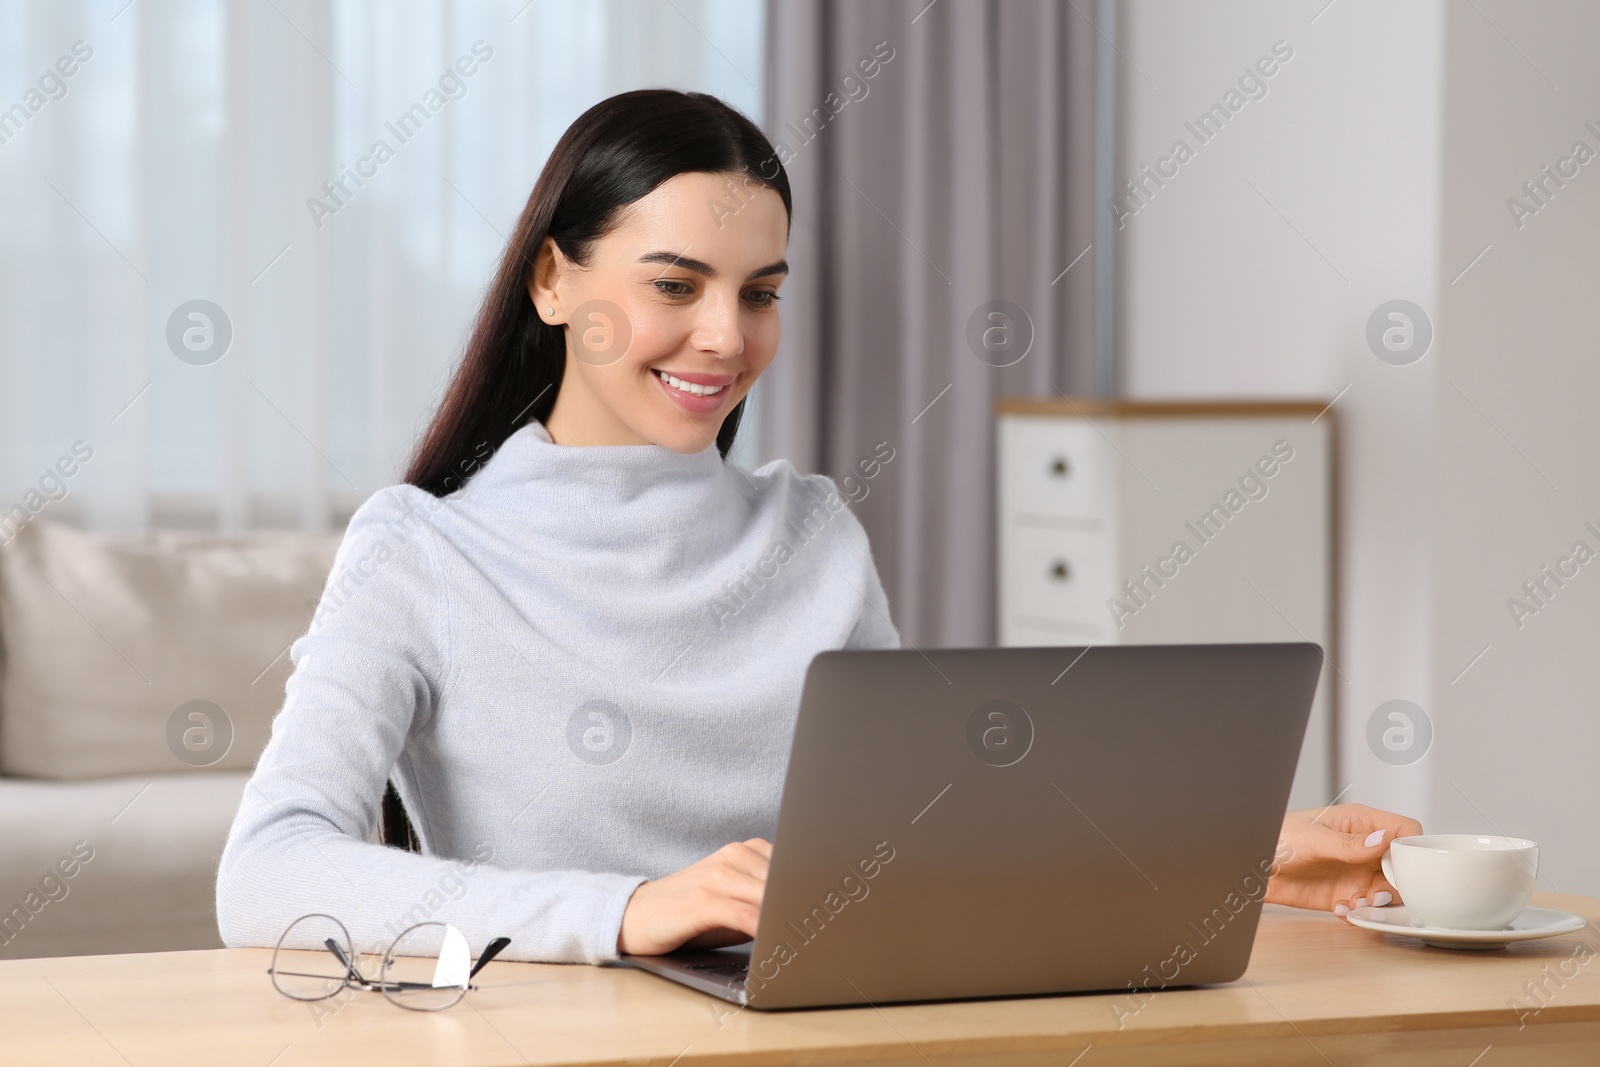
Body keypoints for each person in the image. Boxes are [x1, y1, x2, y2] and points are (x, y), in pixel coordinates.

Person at [216, 89, 1421, 965]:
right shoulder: (421, 551)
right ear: (552, 282)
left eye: (760, 293)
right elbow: (266, 869)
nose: (725, 338)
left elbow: (930, 826)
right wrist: (627, 907)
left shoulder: (809, 526)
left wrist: (1244, 845)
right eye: (674, 286)